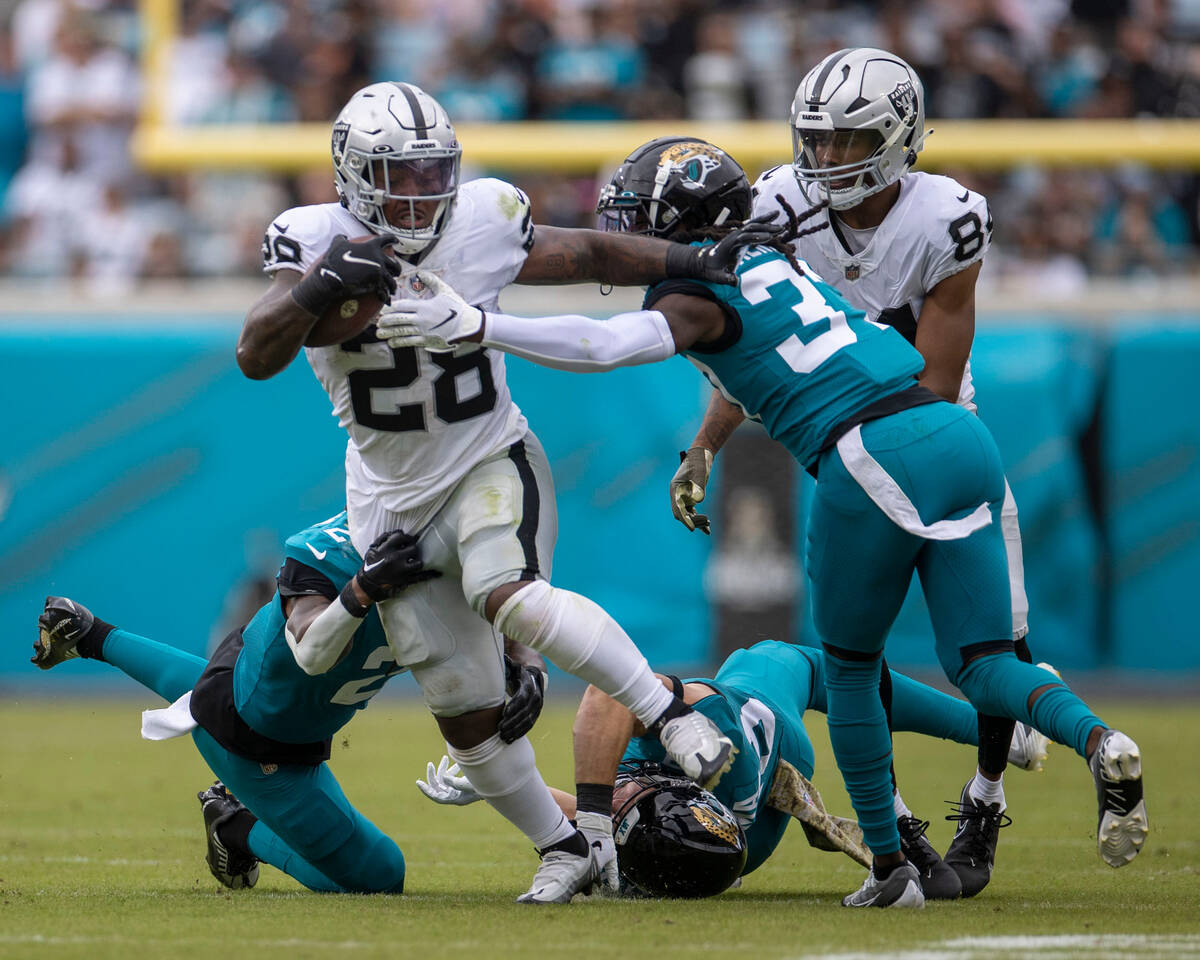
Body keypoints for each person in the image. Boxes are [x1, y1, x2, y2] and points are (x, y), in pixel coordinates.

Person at [379, 135, 1149, 909]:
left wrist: (481, 325)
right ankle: (1100, 741)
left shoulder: (693, 295)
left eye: (641, 216)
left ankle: (890, 869)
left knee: (847, 670)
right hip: (955, 430)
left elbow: (606, 345)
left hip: (866, 451)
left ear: (680, 221)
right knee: (984, 662)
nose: (626, 232)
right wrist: (705, 447)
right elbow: (766, 357)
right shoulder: (775, 255)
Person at [235, 82, 781, 904]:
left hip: (490, 455)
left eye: (430, 174)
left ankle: (667, 714)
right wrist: (317, 288)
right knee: (464, 710)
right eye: (398, 175)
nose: (418, 195)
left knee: (510, 597)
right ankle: (565, 848)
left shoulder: (483, 217)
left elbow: (591, 254)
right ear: (352, 175)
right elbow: (255, 352)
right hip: (390, 496)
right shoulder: (314, 238)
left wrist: (689, 261)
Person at [679, 47, 1045, 898]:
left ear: (902, 137)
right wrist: (704, 443)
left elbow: (939, 385)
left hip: (936, 439)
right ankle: (896, 829)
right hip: (843, 453)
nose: (831, 159)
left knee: (999, 643)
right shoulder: (772, 204)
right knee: (852, 650)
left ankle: (984, 798)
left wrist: (861, 455)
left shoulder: (945, 217)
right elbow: (752, 348)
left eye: (852, 141)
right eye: (820, 140)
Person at [31, 511, 544, 895]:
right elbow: (310, 639)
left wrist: (529, 663)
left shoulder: (458, 549)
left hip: (257, 690)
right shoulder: (334, 550)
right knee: (381, 875)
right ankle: (234, 824)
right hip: (262, 746)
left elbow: (512, 597)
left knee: (214, 689)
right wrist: (363, 590)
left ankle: (90, 633)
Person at [417, 639, 1051, 898]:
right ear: (671, 785)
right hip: (762, 734)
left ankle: (994, 741)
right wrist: (598, 818)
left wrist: (505, 787)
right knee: (804, 663)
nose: (621, 794)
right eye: (630, 797)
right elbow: (607, 691)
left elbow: (617, 824)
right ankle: (1000, 729)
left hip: (742, 840)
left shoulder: (681, 837)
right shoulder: (718, 756)